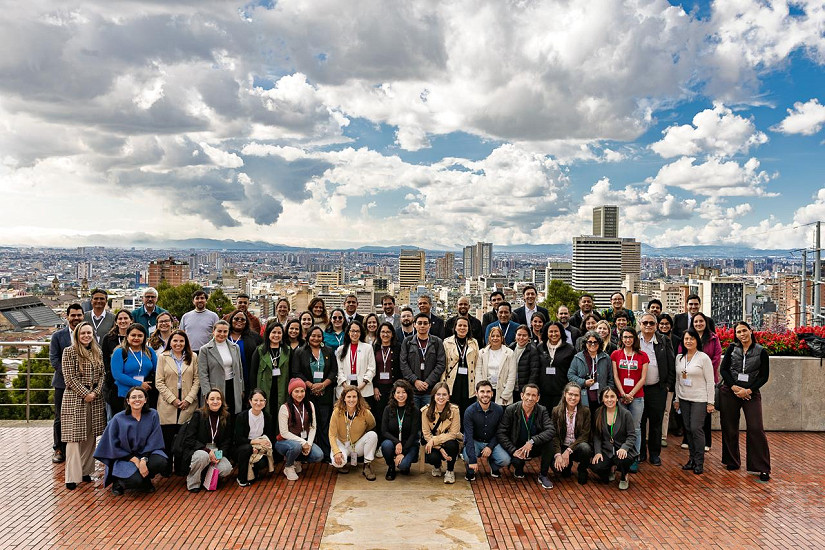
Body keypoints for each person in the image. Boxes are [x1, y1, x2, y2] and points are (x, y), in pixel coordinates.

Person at [719, 321, 771, 482]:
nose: (742, 334)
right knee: (729, 426)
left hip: (751, 393)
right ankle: (732, 461)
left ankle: (761, 467)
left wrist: (748, 391)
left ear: (750, 331)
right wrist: (734, 387)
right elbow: (723, 370)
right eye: (738, 332)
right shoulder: (732, 349)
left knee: (756, 428)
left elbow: (764, 376)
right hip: (731, 391)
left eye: (744, 330)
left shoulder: (761, 351)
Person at [94, 387, 168, 496]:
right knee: (135, 481)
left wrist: (143, 460)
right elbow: (112, 446)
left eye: (140, 397)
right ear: (128, 401)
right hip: (124, 457)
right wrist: (135, 460)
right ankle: (118, 482)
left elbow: (154, 440)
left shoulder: (153, 414)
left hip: (145, 453)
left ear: (145, 400)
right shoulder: (118, 419)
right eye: (133, 397)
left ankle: (145, 479)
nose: (137, 399)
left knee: (161, 461)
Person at [61, 321, 105, 490]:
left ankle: (86, 471)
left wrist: (95, 392)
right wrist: (85, 393)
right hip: (75, 399)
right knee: (73, 439)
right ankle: (72, 477)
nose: (86, 336)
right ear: (77, 335)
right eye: (83, 333)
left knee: (90, 436)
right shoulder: (69, 352)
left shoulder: (97, 351)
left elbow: (102, 375)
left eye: (89, 333)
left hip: (94, 399)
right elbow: (69, 378)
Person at [155, 330, 200, 472]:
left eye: (181, 341)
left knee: (184, 437)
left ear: (186, 342)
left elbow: (197, 380)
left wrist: (188, 399)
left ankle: (181, 468)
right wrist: (173, 400)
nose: (178, 344)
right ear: (170, 342)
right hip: (168, 402)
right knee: (168, 438)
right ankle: (167, 468)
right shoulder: (163, 357)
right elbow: (159, 382)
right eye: (175, 340)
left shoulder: (193, 356)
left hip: (188, 402)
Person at [497, 384, 556, 489]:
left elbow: (551, 430)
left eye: (534, 395)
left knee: (549, 443)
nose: (530, 398)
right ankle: (518, 468)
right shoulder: (511, 410)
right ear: (521, 395)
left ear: (538, 398)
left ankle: (543, 475)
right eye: (528, 394)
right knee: (517, 462)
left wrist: (532, 441)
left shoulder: (542, 410)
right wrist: (513, 450)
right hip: (517, 447)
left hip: (534, 446)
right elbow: (501, 433)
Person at [673, 329, 715, 475]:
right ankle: (691, 459)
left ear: (697, 340)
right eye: (686, 339)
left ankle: (699, 462)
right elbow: (678, 380)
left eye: (692, 338)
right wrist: (677, 399)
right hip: (684, 398)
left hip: (699, 399)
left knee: (696, 428)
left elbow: (710, 381)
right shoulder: (679, 358)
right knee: (688, 429)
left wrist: (710, 402)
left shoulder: (703, 358)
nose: (689, 341)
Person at [177, 388, 234, 492]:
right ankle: (193, 483)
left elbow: (227, 440)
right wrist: (208, 451)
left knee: (226, 468)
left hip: (216, 451)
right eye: (212, 399)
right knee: (203, 456)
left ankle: (206, 477)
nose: (215, 401)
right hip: (199, 450)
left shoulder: (226, 416)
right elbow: (189, 439)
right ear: (207, 401)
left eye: (218, 399)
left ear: (222, 401)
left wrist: (219, 455)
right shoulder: (198, 414)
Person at [636, 312, 675, 467]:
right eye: (645, 323)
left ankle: (654, 454)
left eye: (651, 323)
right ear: (640, 324)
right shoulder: (634, 340)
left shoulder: (664, 340)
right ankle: (640, 453)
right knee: (639, 422)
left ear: (656, 325)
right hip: (637, 390)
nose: (648, 325)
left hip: (657, 389)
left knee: (656, 423)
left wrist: (667, 385)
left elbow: (671, 363)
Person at [291, 326, 337, 457]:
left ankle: (326, 453)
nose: (316, 338)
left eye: (319, 336)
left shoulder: (328, 351)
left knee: (324, 423)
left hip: (325, 393)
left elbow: (334, 371)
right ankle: (307, 452)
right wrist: (311, 386)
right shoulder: (300, 352)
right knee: (308, 423)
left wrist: (323, 384)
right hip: (306, 394)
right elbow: (296, 372)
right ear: (308, 336)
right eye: (313, 336)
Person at [49, 303, 85, 463]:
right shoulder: (58, 336)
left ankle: (77, 450)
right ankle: (58, 449)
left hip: (83, 384)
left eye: (79, 315)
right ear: (67, 317)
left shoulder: (88, 334)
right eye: (73, 315)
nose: (76, 318)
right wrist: (71, 376)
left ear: (83, 316)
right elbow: (54, 360)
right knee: (60, 417)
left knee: (80, 416)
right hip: (62, 384)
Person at [611, 328, 648, 473]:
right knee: (620, 427)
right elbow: (615, 376)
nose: (628, 340)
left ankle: (634, 457)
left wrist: (631, 394)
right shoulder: (615, 354)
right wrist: (622, 394)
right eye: (625, 337)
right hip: (620, 396)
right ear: (621, 338)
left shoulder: (643, 356)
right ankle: (621, 456)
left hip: (637, 397)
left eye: (630, 337)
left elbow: (643, 378)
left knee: (636, 428)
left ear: (635, 339)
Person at [275, 378, 325, 481]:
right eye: (296, 391)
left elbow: (313, 427)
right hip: (284, 442)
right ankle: (288, 467)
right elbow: (284, 433)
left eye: (302, 391)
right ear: (291, 392)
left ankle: (296, 460)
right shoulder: (284, 408)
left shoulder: (310, 405)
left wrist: (309, 444)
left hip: (304, 441)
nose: (300, 394)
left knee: (318, 455)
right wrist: (303, 442)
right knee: (296, 446)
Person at [688, 311, 722, 452]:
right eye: (695, 321)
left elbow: (717, 357)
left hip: (707, 379)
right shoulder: (688, 337)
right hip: (690, 379)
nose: (698, 324)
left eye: (701, 321)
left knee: (706, 411)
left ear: (706, 323)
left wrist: (703, 371)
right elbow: (683, 354)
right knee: (689, 411)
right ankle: (688, 440)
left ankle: (707, 441)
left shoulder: (713, 338)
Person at [590, 387, 637, 490]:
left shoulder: (625, 414)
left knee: (623, 459)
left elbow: (632, 436)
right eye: (606, 397)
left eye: (612, 396)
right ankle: (611, 469)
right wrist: (598, 452)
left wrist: (624, 448)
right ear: (602, 399)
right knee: (597, 466)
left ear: (617, 398)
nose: (609, 399)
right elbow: (597, 436)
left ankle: (624, 476)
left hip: (622, 449)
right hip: (607, 450)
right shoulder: (598, 413)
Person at [463, 380, 510, 481]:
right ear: (476, 393)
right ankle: (470, 469)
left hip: (491, 441)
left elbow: (500, 432)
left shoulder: (499, 410)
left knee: (505, 460)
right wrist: (472, 460)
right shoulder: (469, 411)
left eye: (488, 391)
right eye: (482, 391)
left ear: (492, 393)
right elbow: (469, 436)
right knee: (467, 457)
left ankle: (493, 465)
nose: (485, 394)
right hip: (475, 441)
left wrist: (490, 446)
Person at [329, 385, 379, 480]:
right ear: (344, 398)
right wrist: (336, 452)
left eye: (354, 397)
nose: (351, 400)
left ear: (358, 398)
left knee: (372, 435)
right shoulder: (336, 412)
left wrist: (361, 434)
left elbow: (372, 425)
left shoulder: (365, 412)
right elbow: (332, 435)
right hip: (342, 444)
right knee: (337, 463)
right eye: (348, 397)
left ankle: (367, 465)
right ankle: (343, 462)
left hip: (357, 445)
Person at [568, 331, 615, 430]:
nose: (592, 344)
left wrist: (608, 395)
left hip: (601, 398)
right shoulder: (578, 357)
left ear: (599, 343)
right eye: (589, 342)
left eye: (595, 342)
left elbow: (610, 378)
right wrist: (583, 382)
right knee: (585, 426)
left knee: (599, 426)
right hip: (584, 397)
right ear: (585, 343)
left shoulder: (606, 358)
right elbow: (570, 375)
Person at [399, 313, 446, 408]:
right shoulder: (407, 342)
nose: (422, 326)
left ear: (430, 325)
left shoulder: (437, 342)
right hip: (412, 389)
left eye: (425, 323)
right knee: (414, 415)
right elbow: (403, 364)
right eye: (419, 323)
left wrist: (428, 382)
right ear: (414, 325)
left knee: (429, 415)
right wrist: (415, 381)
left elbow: (441, 364)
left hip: (430, 390)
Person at [551, 383, 593, 485]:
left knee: (585, 448)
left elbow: (584, 435)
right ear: (565, 394)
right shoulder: (556, 411)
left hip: (577, 447)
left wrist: (568, 450)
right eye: (570, 394)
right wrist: (558, 454)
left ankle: (582, 469)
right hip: (562, 446)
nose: (573, 398)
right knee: (558, 470)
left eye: (576, 395)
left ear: (580, 397)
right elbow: (554, 435)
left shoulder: (585, 411)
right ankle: (567, 466)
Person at [198, 321, 244, 414]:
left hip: (233, 386)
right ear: (213, 331)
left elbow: (239, 369)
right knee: (217, 415)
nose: (222, 334)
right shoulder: (205, 350)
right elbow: (203, 374)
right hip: (215, 389)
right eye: (219, 331)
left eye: (225, 331)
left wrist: (241, 388)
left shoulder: (235, 347)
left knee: (233, 414)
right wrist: (207, 393)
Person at [234, 389, 278, 487]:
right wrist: (253, 443)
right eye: (255, 400)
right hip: (243, 447)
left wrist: (263, 445)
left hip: (260, 448)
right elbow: (238, 439)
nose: (258, 403)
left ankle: (254, 472)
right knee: (247, 449)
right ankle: (241, 478)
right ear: (250, 401)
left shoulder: (268, 417)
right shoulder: (241, 417)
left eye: (262, 400)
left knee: (261, 463)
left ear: (265, 402)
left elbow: (269, 436)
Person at [110, 323, 158, 414]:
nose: (136, 338)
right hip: (123, 394)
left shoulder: (149, 351)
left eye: (140, 335)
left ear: (144, 337)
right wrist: (139, 384)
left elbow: (157, 370)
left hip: (144, 394)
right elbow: (117, 375)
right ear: (127, 336)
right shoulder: (119, 352)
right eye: (133, 335)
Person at [421, 382, 463, 484]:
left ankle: (450, 470)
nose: (441, 397)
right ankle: (437, 466)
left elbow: (453, 433)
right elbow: (426, 434)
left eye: (444, 394)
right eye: (438, 394)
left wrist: (434, 440)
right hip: (434, 444)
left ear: (448, 396)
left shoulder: (454, 410)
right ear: (433, 396)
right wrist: (439, 448)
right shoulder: (426, 411)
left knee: (451, 445)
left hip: (449, 441)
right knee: (432, 457)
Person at [380, 380, 421, 480]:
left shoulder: (415, 410)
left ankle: (404, 463)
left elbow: (413, 434)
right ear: (394, 394)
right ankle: (391, 467)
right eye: (398, 392)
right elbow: (384, 431)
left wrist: (403, 452)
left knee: (403, 466)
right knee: (386, 445)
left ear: (408, 394)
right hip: (393, 443)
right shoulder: (388, 409)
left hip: (409, 444)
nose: (401, 395)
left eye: (404, 392)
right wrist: (397, 442)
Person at [251, 322, 292, 417]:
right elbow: (253, 372)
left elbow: (291, 372)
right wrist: (254, 391)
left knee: (280, 412)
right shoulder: (260, 350)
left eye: (279, 333)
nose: (276, 335)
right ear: (268, 333)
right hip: (264, 387)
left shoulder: (288, 351)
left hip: (282, 387)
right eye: (273, 332)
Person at [442, 317, 480, 417]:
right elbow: (444, 365)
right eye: (460, 325)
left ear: (468, 328)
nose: (462, 328)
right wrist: (442, 384)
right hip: (453, 380)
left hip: (469, 380)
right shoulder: (447, 342)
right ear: (455, 328)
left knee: (467, 410)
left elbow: (477, 364)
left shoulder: (474, 342)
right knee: (453, 409)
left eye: (465, 326)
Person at [101, 310, 133, 418]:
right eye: (120, 318)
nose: (123, 321)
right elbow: (105, 360)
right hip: (113, 383)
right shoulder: (108, 338)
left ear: (131, 320)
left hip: (132, 380)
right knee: (114, 416)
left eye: (126, 318)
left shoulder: (135, 337)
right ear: (116, 322)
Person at [336, 320, 376, 403]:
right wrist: (346, 387)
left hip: (364, 389)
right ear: (348, 332)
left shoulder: (368, 348)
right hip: (345, 388)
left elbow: (371, 369)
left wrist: (362, 385)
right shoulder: (341, 349)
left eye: (357, 331)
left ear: (361, 333)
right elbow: (339, 370)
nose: (355, 333)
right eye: (352, 331)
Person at [657, 313, 683, 444]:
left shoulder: (677, 340)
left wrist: (670, 381)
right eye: (661, 324)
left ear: (671, 326)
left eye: (667, 324)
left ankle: (663, 436)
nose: (664, 326)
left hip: (670, 379)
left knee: (666, 410)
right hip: (655, 380)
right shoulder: (653, 339)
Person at [476, 326, 516, 406]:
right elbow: (478, 373)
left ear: (502, 338)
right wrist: (481, 392)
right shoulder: (482, 353)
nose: (495, 338)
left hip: (502, 392)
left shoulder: (509, 353)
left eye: (498, 336)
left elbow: (512, 376)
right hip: (485, 392)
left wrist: (506, 394)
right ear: (489, 338)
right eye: (493, 336)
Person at [537, 322, 574, 410]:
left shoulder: (570, 349)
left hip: (561, 391)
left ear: (561, 332)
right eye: (551, 331)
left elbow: (572, 371)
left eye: (556, 331)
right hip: (543, 392)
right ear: (546, 333)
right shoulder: (540, 347)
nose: (553, 334)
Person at [226, 309, 263, 396]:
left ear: (246, 322)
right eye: (236, 319)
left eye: (242, 319)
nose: (239, 321)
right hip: (228, 378)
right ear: (231, 320)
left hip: (247, 377)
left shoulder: (254, 337)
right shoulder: (224, 336)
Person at [372, 322, 401, 431]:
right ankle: (380, 438)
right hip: (379, 388)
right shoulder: (375, 348)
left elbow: (401, 368)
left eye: (388, 332)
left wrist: (398, 388)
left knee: (392, 414)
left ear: (392, 334)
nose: (385, 334)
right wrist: (374, 386)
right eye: (383, 332)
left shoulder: (398, 347)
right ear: (379, 334)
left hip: (393, 387)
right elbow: (372, 368)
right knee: (379, 414)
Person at [511, 325, 540, 403]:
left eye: (524, 335)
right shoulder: (510, 348)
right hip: (511, 389)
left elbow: (534, 373)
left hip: (524, 390)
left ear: (529, 337)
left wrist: (528, 391)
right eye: (519, 335)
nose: (521, 338)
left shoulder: (532, 351)